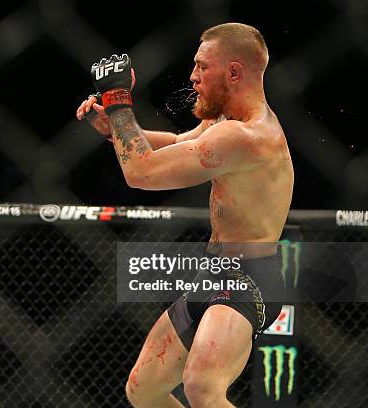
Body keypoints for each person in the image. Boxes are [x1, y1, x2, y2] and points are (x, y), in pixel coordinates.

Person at [77, 23, 293, 407]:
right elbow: (176, 144)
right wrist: (116, 129)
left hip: (249, 280)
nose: (192, 77)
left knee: (202, 385)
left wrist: (118, 98)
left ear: (233, 72)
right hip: (212, 272)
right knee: (144, 390)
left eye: (201, 66)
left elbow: (142, 173)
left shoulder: (248, 137)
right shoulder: (224, 123)